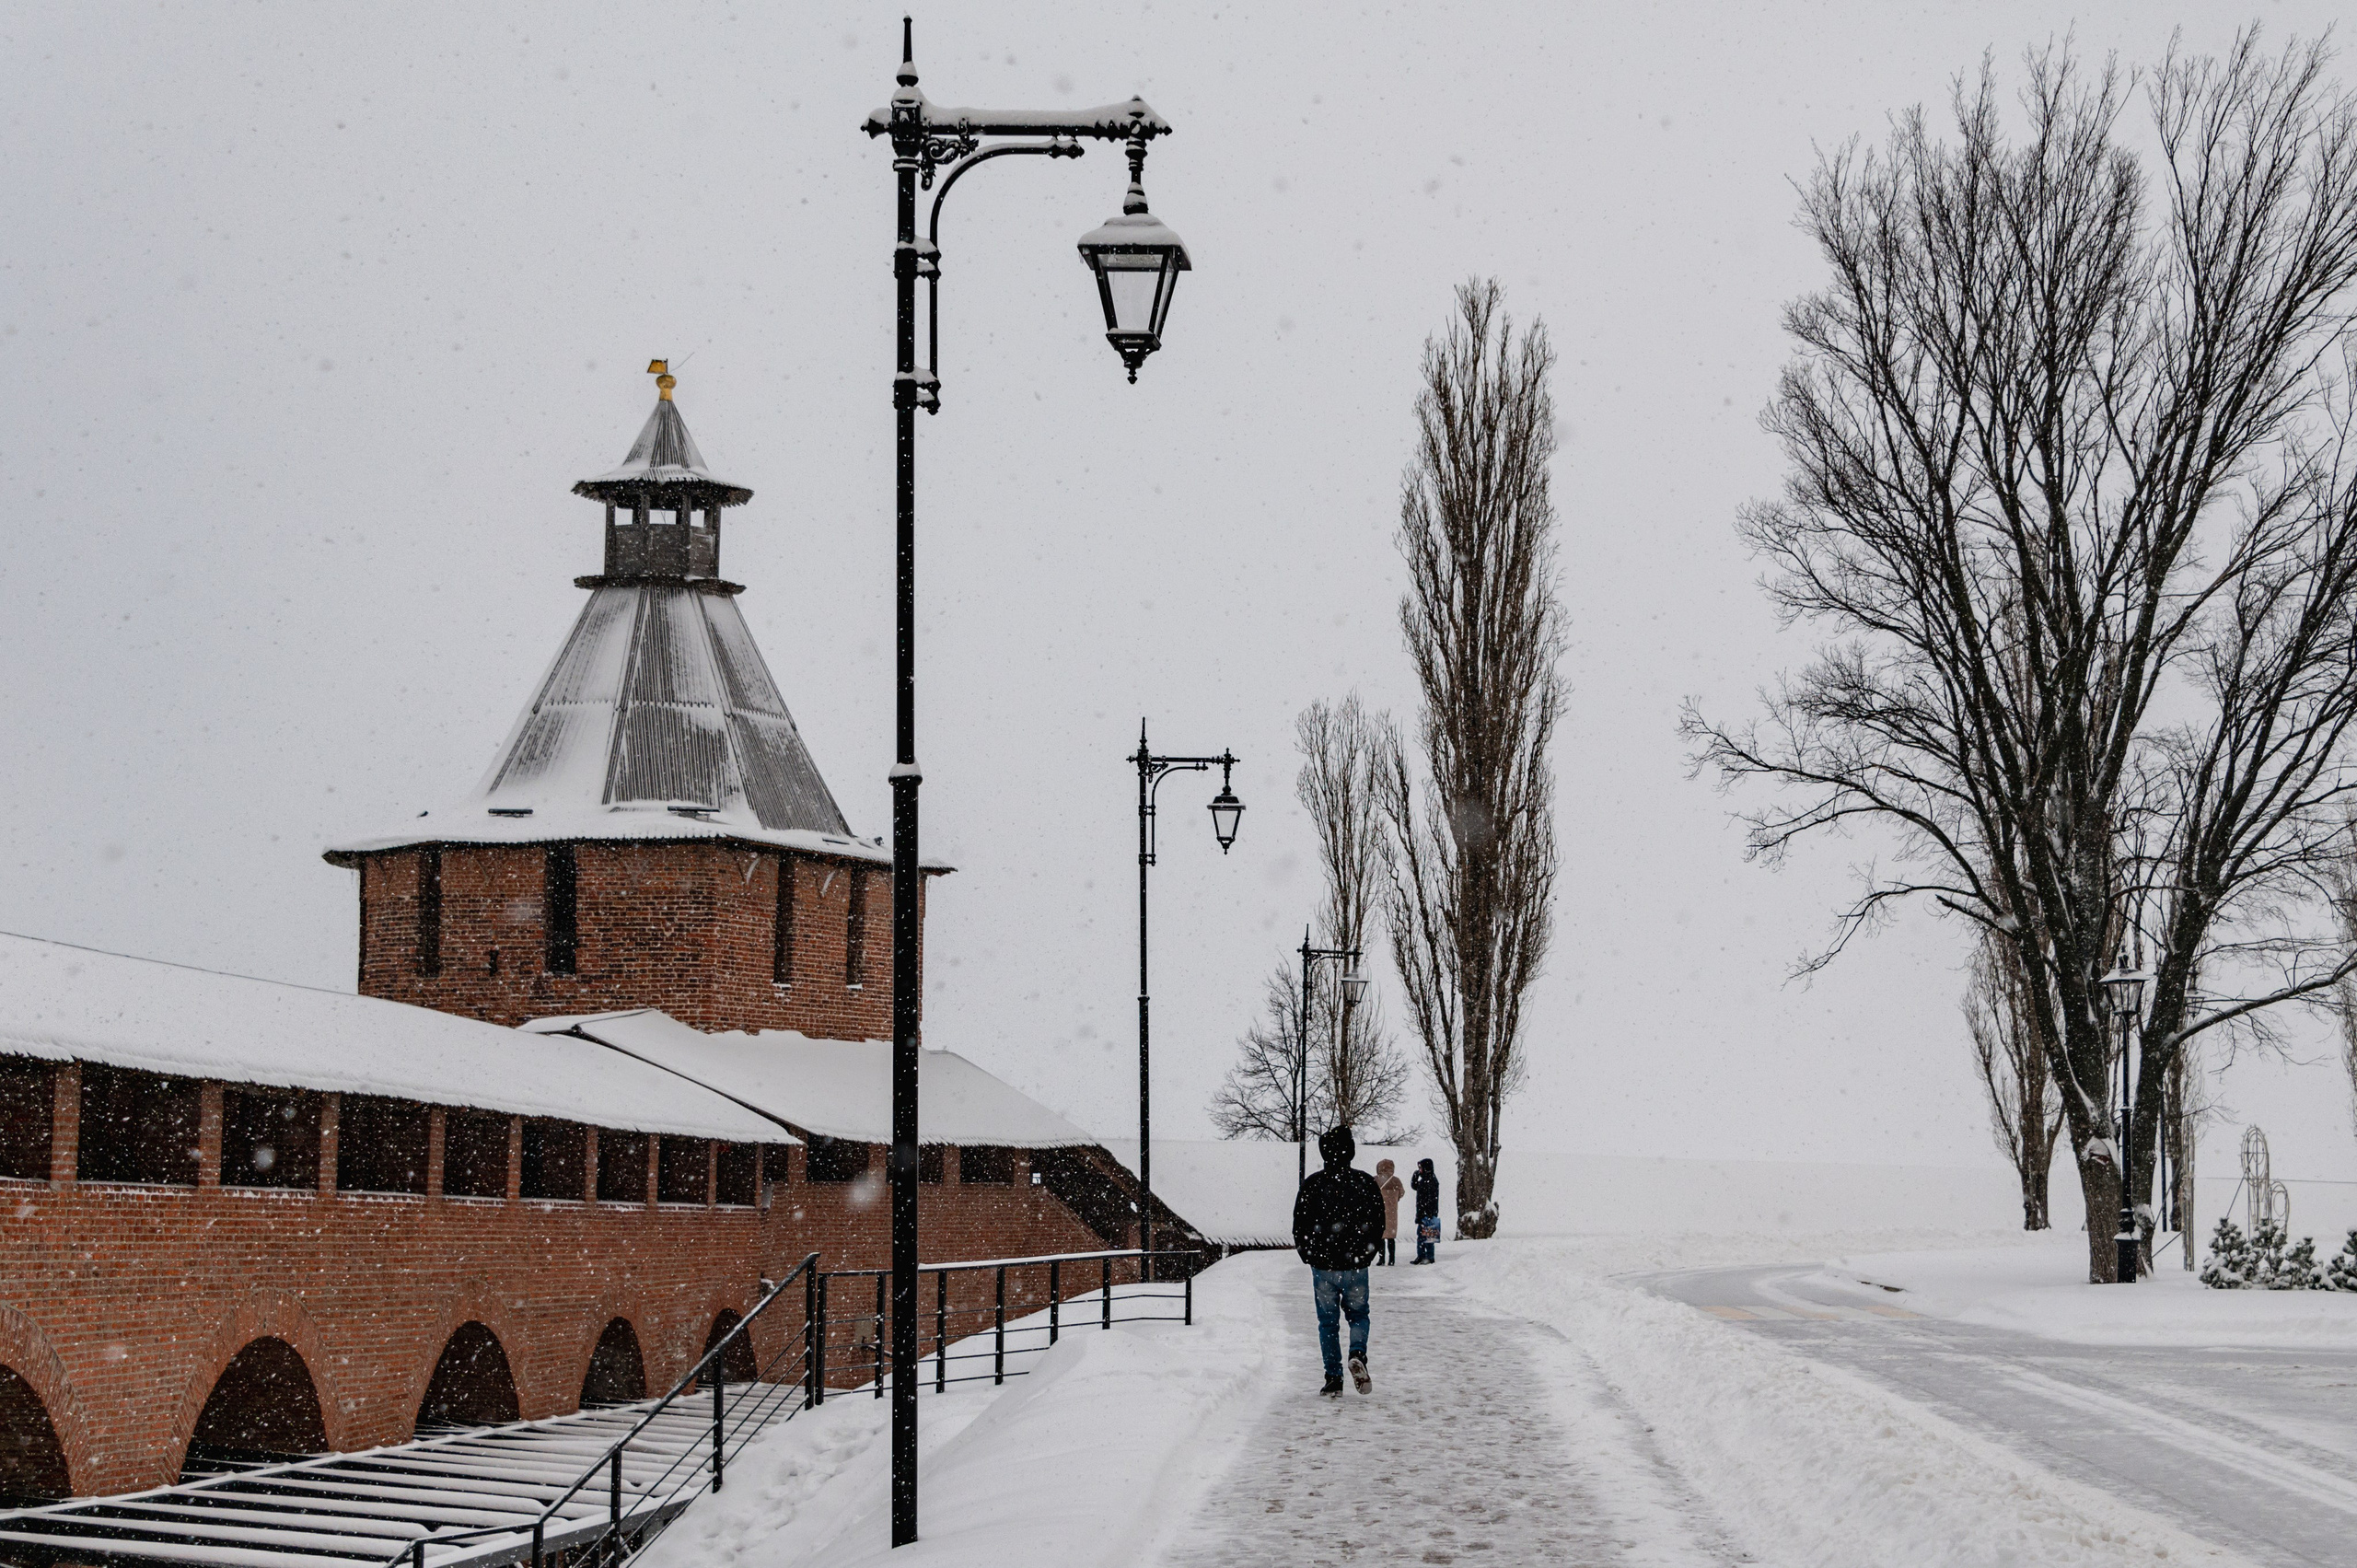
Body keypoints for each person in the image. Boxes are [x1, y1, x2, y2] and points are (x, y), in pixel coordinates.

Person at [1292, 1125, 1385, 1396]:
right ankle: (1357, 1353)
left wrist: (1308, 1254)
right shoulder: (1366, 1183)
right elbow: (1379, 1222)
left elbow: (1300, 1224)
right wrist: (1367, 1252)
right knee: (1359, 1315)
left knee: (1328, 1323)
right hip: (1356, 1263)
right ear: (1351, 1152)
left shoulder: (1313, 1184)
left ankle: (1333, 1378)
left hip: (1324, 1265)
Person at [1376, 1158, 1406, 1266]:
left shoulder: (1376, 1180)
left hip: (1379, 1211)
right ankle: (1392, 1259)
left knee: (1381, 1236)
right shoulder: (1396, 1181)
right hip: (1392, 1212)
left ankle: (1381, 1259)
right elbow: (1402, 1193)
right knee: (1391, 1237)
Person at [1411, 1156, 1441, 1264]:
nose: (1420, 1170)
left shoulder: (1430, 1181)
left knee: (1427, 1237)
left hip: (1427, 1214)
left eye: (1421, 1168)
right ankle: (1423, 1256)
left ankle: (1427, 1257)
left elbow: (1429, 1198)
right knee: (1424, 1236)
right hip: (1425, 1213)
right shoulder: (1428, 1179)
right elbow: (1415, 1186)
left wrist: (1427, 1213)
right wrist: (1415, 1177)